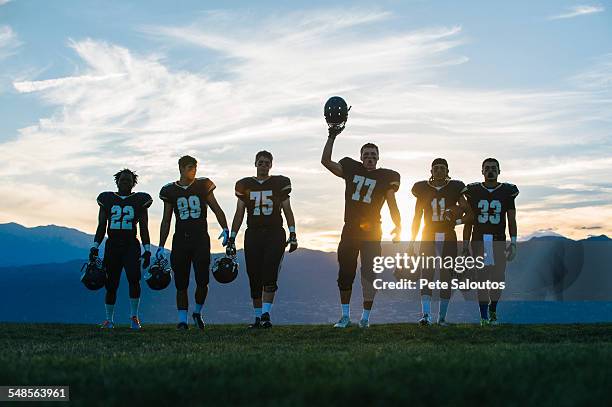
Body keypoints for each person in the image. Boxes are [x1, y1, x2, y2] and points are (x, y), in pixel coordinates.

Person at [321, 126, 401, 328]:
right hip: (350, 229)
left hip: (373, 230)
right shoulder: (351, 168)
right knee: (345, 273)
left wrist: (398, 225)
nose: (370, 157)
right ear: (361, 157)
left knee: (369, 274)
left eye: (373, 155)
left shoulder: (385, 177)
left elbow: (392, 204)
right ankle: (345, 316)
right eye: (366, 154)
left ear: (378, 158)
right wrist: (331, 137)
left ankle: (365, 318)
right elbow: (326, 161)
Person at [227, 151, 298, 329]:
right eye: (261, 162)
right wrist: (232, 237)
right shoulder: (244, 185)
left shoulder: (279, 183)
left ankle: (266, 314)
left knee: (270, 271)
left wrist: (293, 233)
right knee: (254, 275)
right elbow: (239, 213)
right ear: (255, 163)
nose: (264, 165)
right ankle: (258, 317)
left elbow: (287, 210)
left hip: (274, 232)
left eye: (267, 163)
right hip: (253, 233)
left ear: (271, 165)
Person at [157, 155, 229, 330]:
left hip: (200, 239)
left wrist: (226, 229)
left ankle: (197, 311)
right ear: (181, 168)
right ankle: (182, 320)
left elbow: (216, 208)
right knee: (181, 282)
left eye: (195, 167)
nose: (194, 170)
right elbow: (166, 220)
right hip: (180, 239)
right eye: (190, 167)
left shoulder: (203, 185)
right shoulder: (170, 190)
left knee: (202, 280)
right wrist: (160, 244)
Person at [91, 169, 153, 330]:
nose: (125, 182)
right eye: (123, 180)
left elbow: (144, 227)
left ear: (134, 183)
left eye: (128, 180)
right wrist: (95, 246)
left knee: (134, 279)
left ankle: (134, 317)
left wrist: (147, 249)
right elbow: (101, 225)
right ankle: (109, 320)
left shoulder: (140, 200)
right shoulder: (107, 199)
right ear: (117, 181)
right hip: (112, 245)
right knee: (111, 283)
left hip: (131, 245)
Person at [410, 158, 467, 326]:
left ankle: (441, 318)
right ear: (431, 171)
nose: (439, 171)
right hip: (428, 233)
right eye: (436, 168)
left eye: (442, 168)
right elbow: (417, 217)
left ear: (447, 170)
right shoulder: (421, 188)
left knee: (446, 275)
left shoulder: (456, 187)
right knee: (426, 273)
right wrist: (412, 241)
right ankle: (426, 315)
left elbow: (466, 210)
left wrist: (455, 221)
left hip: (448, 234)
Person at [462, 158, 519, 325]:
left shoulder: (507, 191)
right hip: (479, 240)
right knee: (481, 278)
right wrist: (465, 246)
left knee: (498, 278)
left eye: (494, 168)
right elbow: (469, 221)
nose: (490, 171)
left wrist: (513, 243)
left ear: (499, 171)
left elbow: (511, 219)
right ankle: (484, 316)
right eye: (487, 168)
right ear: (482, 171)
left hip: (498, 240)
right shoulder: (473, 190)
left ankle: (493, 309)